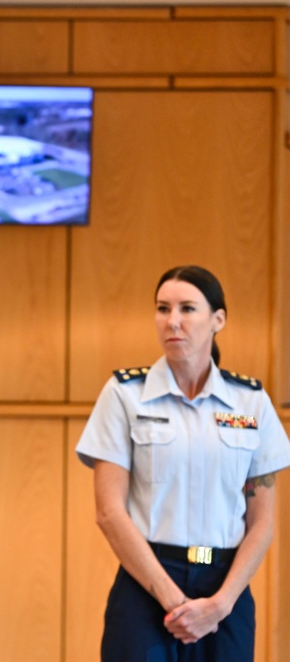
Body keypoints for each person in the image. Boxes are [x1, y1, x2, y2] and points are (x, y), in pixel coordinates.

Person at [76, 265, 290, 661]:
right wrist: (174, 601)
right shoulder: (125, 394)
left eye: (187, 308)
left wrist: (222, 604)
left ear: (218, 320)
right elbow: (109, 512)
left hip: (226, 590)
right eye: (162, 308)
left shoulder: (251, 402)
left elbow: (262, 524)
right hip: (147, 585)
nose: (172, 321)